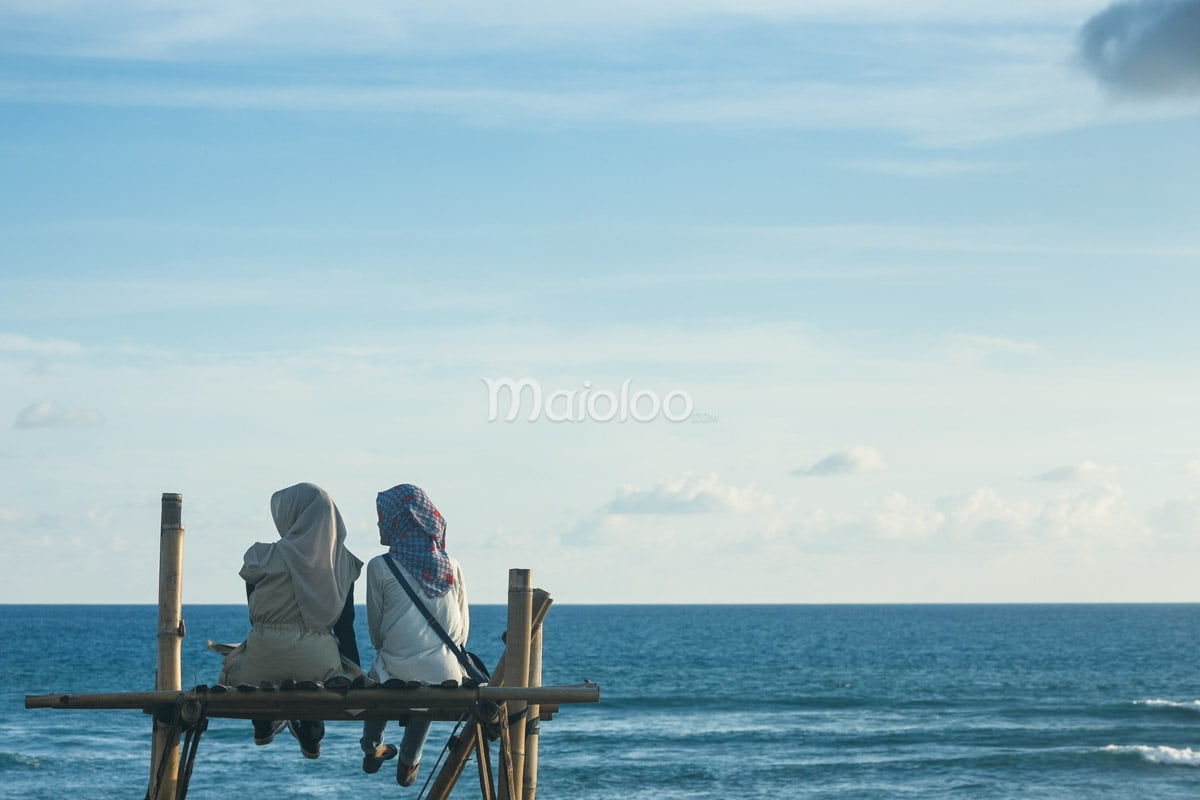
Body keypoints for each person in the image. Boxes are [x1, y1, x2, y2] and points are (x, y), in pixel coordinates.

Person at [218, 482, 363, 759]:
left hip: (263, 660)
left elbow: (254, 615)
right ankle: (310, 733)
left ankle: (263, 723)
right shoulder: (343, 563)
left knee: (252, 665)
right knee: (325, 674)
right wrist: (355, 674)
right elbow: (346, 628)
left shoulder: (261, 556)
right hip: (316, 662)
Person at [360, 484, 470, 787]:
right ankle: (409, 761)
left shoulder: (380, 566)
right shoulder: (453, 566)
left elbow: (376, 631)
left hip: (395, 667)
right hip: (446, 671)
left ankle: (372, 746)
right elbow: (462, 632)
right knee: (431, 677)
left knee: (381, 676)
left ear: (396, 520)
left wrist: (395, 649)